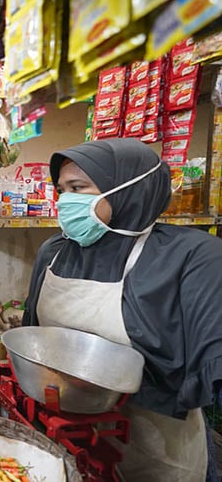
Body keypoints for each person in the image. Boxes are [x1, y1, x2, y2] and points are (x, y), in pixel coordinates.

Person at [23, 138, 222, 482]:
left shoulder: (192, 256)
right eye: (62, 190)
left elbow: (214, 358)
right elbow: (31, 335)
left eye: (78, 188)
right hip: (62, 430)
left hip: (153, 445)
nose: (65, 201)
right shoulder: (55, 251)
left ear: (128, 190)